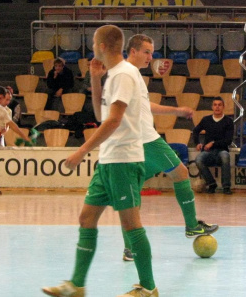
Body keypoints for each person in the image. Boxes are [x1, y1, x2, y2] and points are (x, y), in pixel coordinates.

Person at [42, 25, 158, 297]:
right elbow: (100, 113)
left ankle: (148, 287)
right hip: (109, 160)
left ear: (104, 46)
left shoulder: (125, 76)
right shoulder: (113, 76)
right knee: (86, 218)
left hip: (124, 160)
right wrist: (95, 79)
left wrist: (81, 150)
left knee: (131, 225)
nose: (92, 48)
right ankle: (77, 285)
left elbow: (115, 121)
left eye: (94, 43)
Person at [121, 34, 218, 261]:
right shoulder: (127, 73)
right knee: (180, 172)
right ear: (133, 50)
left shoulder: (132, 74)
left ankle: (129, 248)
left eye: (152, 52)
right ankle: (192, 226)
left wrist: (176, 111)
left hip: (132, 143)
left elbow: (145, 105)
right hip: (146, 139)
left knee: (133, 193)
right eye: (146, 51)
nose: (151, 57)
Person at [193, 96, 234, 195]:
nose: (217, 107)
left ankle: (226, 186)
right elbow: (195, 131)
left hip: (222, 151)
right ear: (212, 107)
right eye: (215, 105)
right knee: (198, 159)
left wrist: (213, 143)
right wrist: (197, 142)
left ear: (223, 107)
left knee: (225, 156)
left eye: (219, 105)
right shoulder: (206, 119)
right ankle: (211, 184)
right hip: (208, 152)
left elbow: (228, 141)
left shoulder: (228, 121)